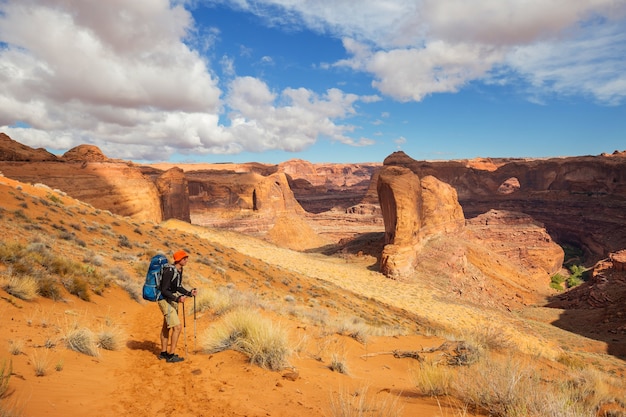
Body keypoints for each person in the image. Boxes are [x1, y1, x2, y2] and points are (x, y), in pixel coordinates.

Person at [157, 250, 197, 363]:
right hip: (164, 300)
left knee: (167, 326)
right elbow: (164, 290)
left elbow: (178, 286)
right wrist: (177, 299)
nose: (187, 260)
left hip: (171, 299)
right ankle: (171, 355)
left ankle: (163, 353)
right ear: (179, 259)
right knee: (177, 327)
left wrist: (189, 293)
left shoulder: (179, 270)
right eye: (185, 259)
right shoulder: (169, 271)